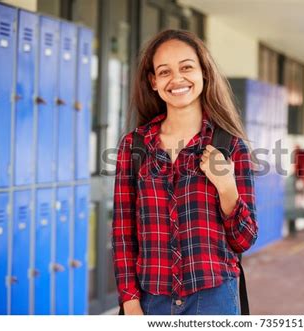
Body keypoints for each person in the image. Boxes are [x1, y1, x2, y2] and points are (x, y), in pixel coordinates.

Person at [112, 29, 258, 315]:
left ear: (204, 73)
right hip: (151, 300)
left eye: (187, 67)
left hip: (214, 299)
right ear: (153, 82)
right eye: (164, 72)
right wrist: (130, 301)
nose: (177, 79)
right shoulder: (135, 146)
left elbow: (244, 239)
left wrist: (226, 187)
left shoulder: (228, 145)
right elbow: (122, 232)